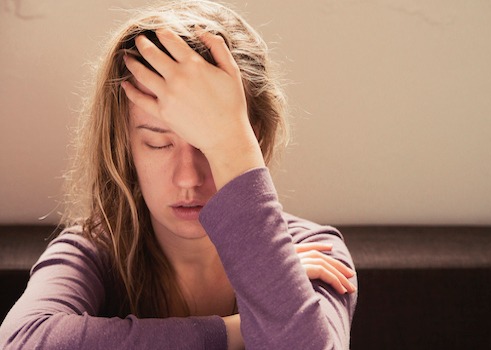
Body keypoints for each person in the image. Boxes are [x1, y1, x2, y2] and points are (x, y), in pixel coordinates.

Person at [0, 0, 357, 349]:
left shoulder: (313, 250)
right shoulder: (95, 252)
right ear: (126, 147)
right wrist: (239, 328)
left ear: (255, 138)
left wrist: (232, 144)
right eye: (157, 143)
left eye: (208, 144)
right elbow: (22, 342)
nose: (188, 178)